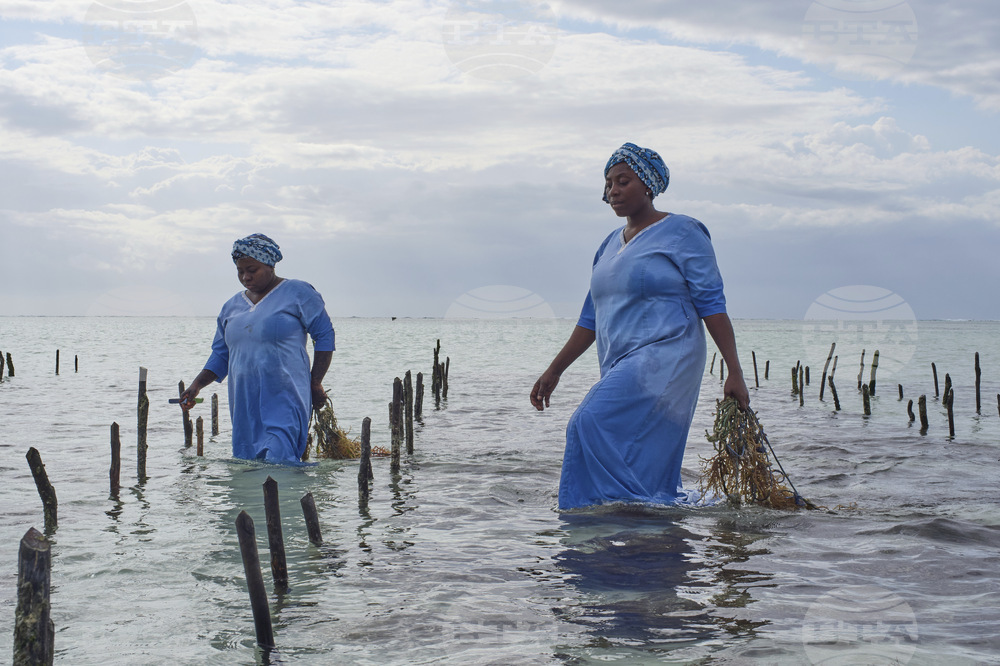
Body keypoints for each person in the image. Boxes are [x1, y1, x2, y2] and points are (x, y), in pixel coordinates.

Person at [530, 142, 749, 510]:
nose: (612, 190)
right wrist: (555, 370)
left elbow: (712, 304)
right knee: (637, 446)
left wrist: (734, 371)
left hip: (668, 353)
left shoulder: (683, 231)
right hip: (619, 358)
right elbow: (590, 318)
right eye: (608, 183)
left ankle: (590, 515)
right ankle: (640, 530)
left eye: (622, 181)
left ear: (647, 184)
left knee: (587, 422)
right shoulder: (607, 246)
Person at [179, 233, 335, 462]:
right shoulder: (231, 307)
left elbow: (324, 336)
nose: (245, 277)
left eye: (252, 270)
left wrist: (315, 381)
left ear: (269, 264)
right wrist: (197, 385)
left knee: (281, 461)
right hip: (244, 403)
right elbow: (222, 355)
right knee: (247, 467)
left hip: (285, 396)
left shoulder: (298, 293)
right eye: (240, 271)